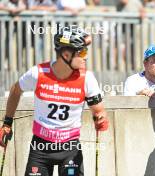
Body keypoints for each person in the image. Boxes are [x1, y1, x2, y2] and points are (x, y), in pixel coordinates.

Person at [0, 26, 109, 176]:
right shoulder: (38, 73)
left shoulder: (87, 78)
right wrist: (7, 122)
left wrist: (100, 119)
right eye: (82, 52)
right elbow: (15, 90)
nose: (85, 57)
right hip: (40, 148)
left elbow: (98, 110)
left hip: (70, 148)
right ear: (65, 54)